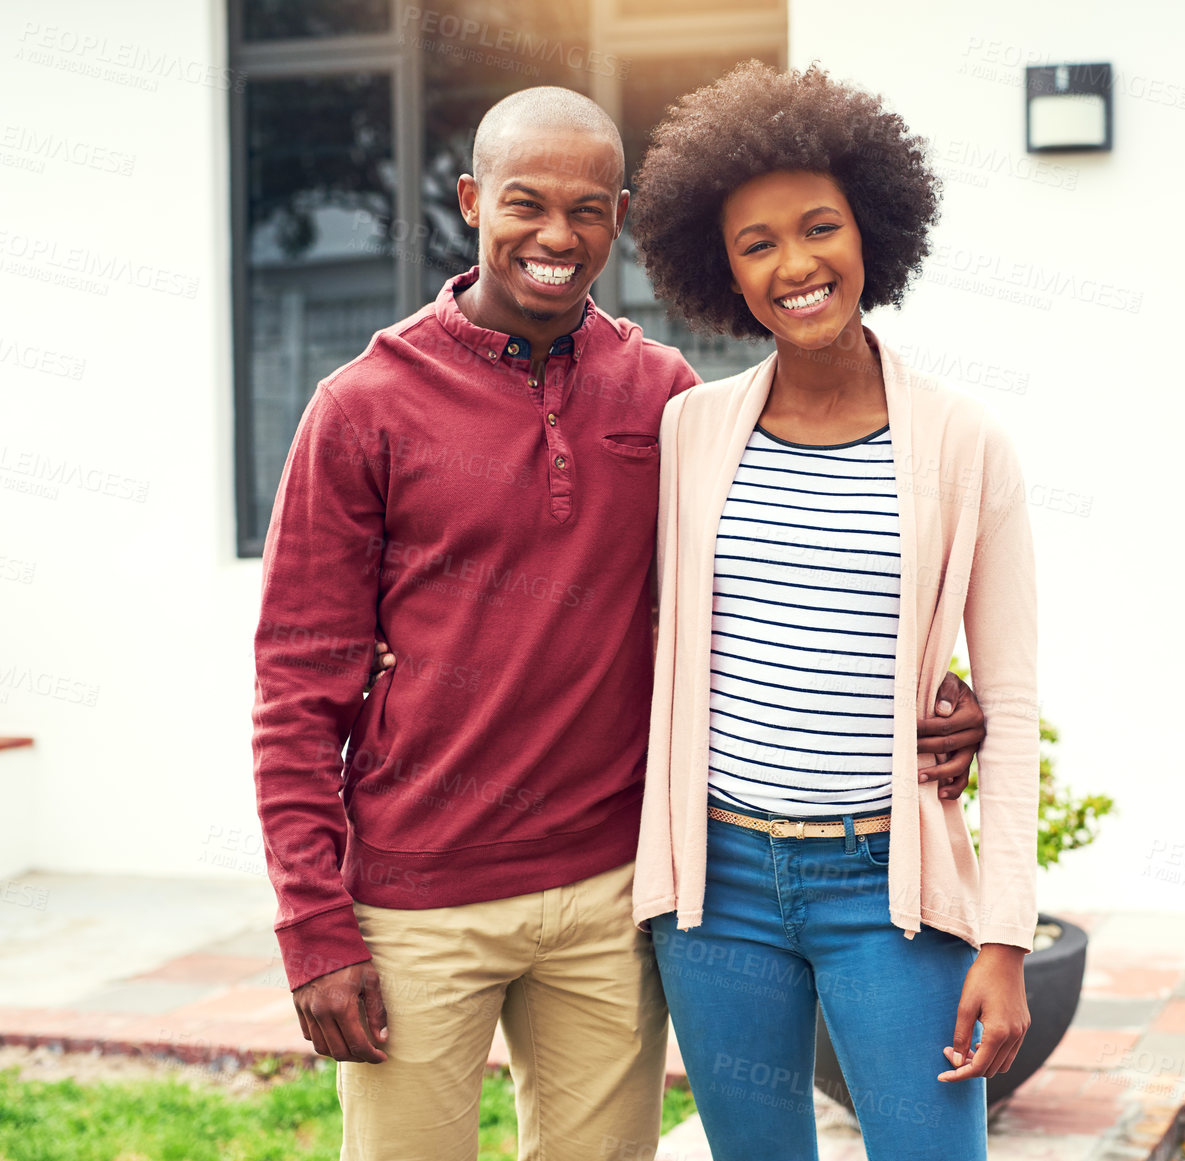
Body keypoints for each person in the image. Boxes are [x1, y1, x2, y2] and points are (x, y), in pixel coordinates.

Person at [251, 85, 987, 1161]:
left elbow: (771, 587)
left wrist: (929, 694)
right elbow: (295, 687)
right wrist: (313, 927)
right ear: (469, 201)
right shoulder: (364, 406)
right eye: (525, 203)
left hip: (610, 899)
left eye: (588, 209)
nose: (556, 236)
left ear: (622, 218)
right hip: (418, 906)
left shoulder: (667, 401)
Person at [628, 62, 1041, 1161]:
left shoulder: (963, 443)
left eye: (819, 229)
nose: (794, 266)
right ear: (720, 270)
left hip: (886, 890)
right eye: (755, 243)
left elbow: (1008, 699)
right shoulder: (690, 435)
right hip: (719, 893)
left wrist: (1002, 937)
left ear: (872, 231)